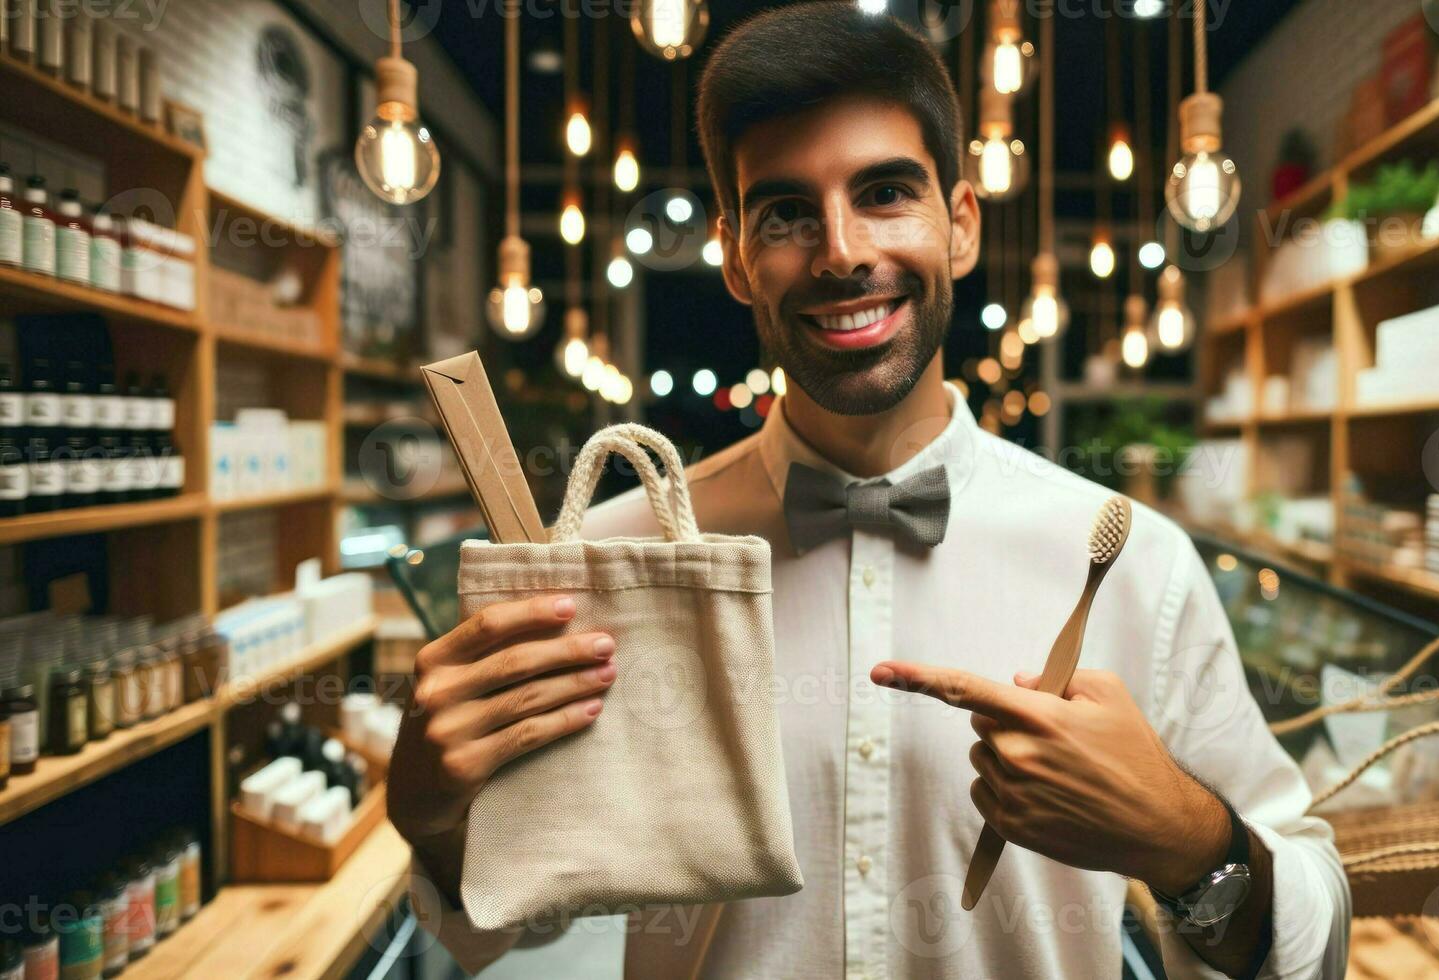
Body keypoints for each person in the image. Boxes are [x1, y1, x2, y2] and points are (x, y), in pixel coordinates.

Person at [388, 4, 1350, 977]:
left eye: (885, 191)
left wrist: (1186, 838)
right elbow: (509, 917)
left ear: (960, 224)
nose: (841, 250)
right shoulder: (607, 559)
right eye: (785, 212)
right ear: (732, 257)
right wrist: (436, 814)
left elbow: (1310, 942)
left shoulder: (1126, 558)